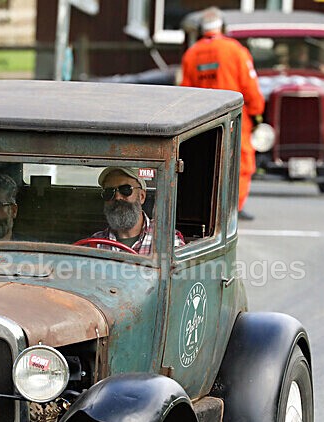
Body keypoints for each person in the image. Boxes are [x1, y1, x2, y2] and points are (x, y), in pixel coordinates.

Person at [181, 6, 265, 221]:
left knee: (205, 160)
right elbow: (250, 86)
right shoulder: (235, 50)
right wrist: (257, 112)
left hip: (201, 118)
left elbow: (185, 89)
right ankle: (233, 208)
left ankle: (208, 207)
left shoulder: (191, 54)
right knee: (241, 160)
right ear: (223, 27)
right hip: (234, 116)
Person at [90, 166, 184, 254]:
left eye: (126, 190)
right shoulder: (95, 243)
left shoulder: (167, 241)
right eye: (109, 192)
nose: (117, 197)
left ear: (142, 196)